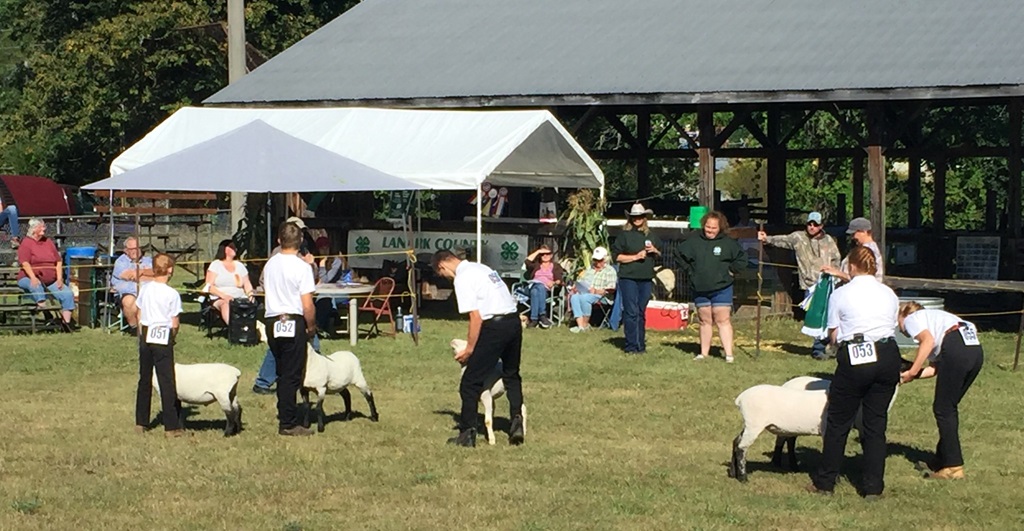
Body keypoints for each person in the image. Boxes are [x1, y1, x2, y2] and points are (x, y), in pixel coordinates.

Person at [808, 246, 899, 499]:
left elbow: (833, 333)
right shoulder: (889, 293)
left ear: (852, 267)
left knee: (839, 422)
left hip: (857, 353)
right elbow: (891, 325)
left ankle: (825, 482)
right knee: (875, 423)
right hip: (888, 353)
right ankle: (873, 487)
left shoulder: (841, 293)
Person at [432, 249, 525, 447]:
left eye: (443, 275)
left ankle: (467, 433)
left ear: (442, 265)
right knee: (511, 374)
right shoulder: (481, 268)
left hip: (495, 326)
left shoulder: (463, 278)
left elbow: (475, 317)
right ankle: (516, 422)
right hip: (513, 321)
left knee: (470, 382)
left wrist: (470, 349)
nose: (447, 278)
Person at [898, 302, 984, 480]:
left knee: (943, 409)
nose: (901, 330)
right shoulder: (940, 320)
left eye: (898, 323)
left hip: (956, 348)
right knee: (948, 407)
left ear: (902, 316)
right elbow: (936, 369)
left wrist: (913, 370)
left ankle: (953, 466)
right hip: (974, 351)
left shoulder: (912, 318)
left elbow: (927, 342)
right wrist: (907, 376)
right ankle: (942, 459)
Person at [758, 211, 841, 359]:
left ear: (821, 226)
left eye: (815, 224)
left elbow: (836, 259)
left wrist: (835, 275)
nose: (812, 227)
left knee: (828, 316)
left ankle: (829, 345)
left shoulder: (828, 240)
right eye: (810, 224)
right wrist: (766, 239)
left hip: (826, 283)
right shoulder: (798, 237)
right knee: (814, 316)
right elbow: (783, 240)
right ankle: (818, 349)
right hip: (809, 285)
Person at [262, 221, 317, 436]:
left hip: (272, 319)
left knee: (281, 368)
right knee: (291, 374)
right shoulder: (302, 267)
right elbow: (307, 304)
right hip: (293, 320)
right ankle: (288, 421)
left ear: (278, 240)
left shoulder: (270, 265)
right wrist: (310, 326)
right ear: (301, 240)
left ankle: (285, 410)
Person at [675, 211, 746, 363]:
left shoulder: (728, 243)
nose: (710, 230)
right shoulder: (694, 241)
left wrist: (732, 271)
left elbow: (741, 259)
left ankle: (728, 355)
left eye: (714, 228)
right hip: (700, 287)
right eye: (708, 227)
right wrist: (690, 271)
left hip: (722, 287)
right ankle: (704, 353)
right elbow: (679, 254)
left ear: (720, 228)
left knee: (722, 319)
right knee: (704, 320)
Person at [134, 253, 185, 438]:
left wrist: (141, 333)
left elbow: (137, 313)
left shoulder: (145, 288)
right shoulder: (172, 294)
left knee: (144, 379)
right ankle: (171, 426)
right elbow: (175, 322)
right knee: (166, 380)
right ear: (170, 270)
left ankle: (141, 421)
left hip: (146, 333)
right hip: (163, 335)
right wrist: (173, 336)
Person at [612, 203, 661, 355]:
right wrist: (635, 257)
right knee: (631, 311)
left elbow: (659, 256)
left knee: (640, 311)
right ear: (630, 218)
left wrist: (655, 251)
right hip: (628, 278)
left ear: (644, 217)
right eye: (634, 217)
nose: (637, 219)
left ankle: (640, 345)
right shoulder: (624, 235)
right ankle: (631, 346)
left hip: (646, 278)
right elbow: (617, 257)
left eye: (640, 216)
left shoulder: (651, 235)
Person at [16, 218, 75, 327]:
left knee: (67, 293)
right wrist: (33, 277)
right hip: (28, 277)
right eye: (41, 226)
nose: (45, 228)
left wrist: (59, 278)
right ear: (34, 229)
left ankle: (66, 324)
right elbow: (25, 263)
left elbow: (58, 261)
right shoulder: (26, 243)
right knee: (36, 285)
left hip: (50, 280)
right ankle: (47, 314)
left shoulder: (48, 242)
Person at [204, 239, 255, 325]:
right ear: (225, 249)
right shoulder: (216, 265)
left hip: (240, 297)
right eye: (232, 247)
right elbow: (209, 286)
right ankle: (234, 328)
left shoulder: (240, 265)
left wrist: (250, 294)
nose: (235, 249)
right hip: (220, 298)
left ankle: (249, 327)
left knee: (250, 304)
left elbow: (247, 283)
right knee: (225, 305)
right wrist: (224, 296)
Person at [568, 246, 617, 333]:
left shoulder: (610, 271)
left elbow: (611, 289)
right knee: (574, 297)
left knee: (585, 298)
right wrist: (577, 287)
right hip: (586, 293)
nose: (597, 262)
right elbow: (581, 281)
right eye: (595, 260)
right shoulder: (589, 269)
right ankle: (580, 326)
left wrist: (596, 291)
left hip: (602, 296)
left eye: (599, 260)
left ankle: (585, 324)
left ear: (605, 259)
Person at [111, 236, 154, 333]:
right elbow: (128, 276)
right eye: (132, 249)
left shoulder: (148, 260)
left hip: (148, 292)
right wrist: (146, 275)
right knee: (129, 302)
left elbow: (157, 275)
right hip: (128, 292)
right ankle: (135, 328)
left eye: (137, 248)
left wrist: (140, 272)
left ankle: (152, 327)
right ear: (126, 250)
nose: (135, 251)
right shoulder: (121, 261)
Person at [822, 217, 885, 282]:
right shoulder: (864, 248)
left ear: (863, 231)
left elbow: (860, 279)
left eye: (854, 234)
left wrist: (836, 273)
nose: (852, 237)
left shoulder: (866, 252)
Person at [314, 236, 353, 334]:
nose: (325, 250)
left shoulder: (336, 261)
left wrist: (322, 266)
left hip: (339, 293)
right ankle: (333, 313)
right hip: (318, 292)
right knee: (326, 298)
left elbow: (326, 280)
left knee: (326, 297)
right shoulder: (313, 261)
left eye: (326, 247)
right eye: (322, 248)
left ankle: (319, 326)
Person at [523, 244, 565, 328]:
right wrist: (538, 251)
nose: (545, 256)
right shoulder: (536, 265)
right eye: (542, 254)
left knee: (537, 291)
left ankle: (534, 319)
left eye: (547, 253)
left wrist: (553, 283)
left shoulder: (556, 266)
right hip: (531, 287)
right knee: (538, 286)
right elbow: (527, 261)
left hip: (545, 291)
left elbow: (559, 280)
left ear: (551, 255)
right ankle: (542, 316)